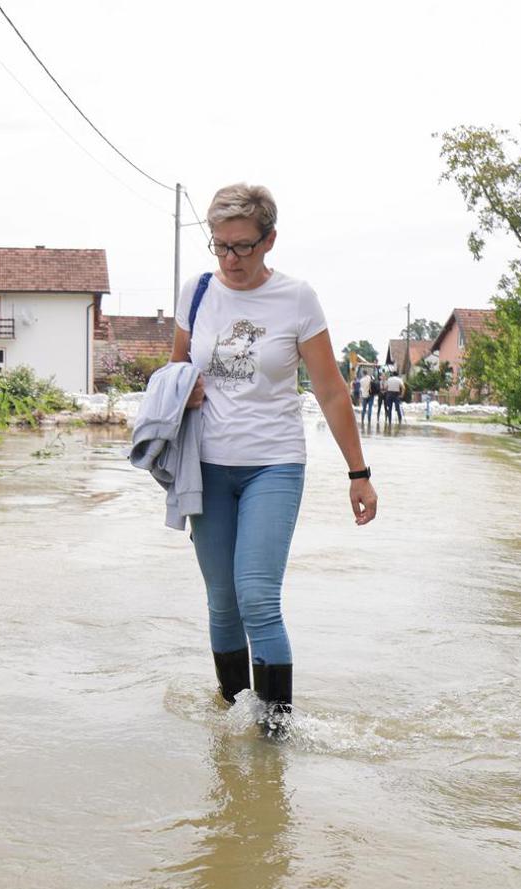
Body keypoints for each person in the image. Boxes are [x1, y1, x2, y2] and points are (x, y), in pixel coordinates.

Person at [172, 183, 378, 733]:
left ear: (270, 241)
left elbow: (332, 390)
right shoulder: (195, 292)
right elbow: (172, 374)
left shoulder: (296, 299)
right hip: (207, 467)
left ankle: (273, 735)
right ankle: (233, 716)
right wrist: (181, 389)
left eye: (241, 246)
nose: (229, 259)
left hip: (274, 463)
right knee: (222, 602)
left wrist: (358, 473)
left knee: (257, 595)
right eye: (219, 246)